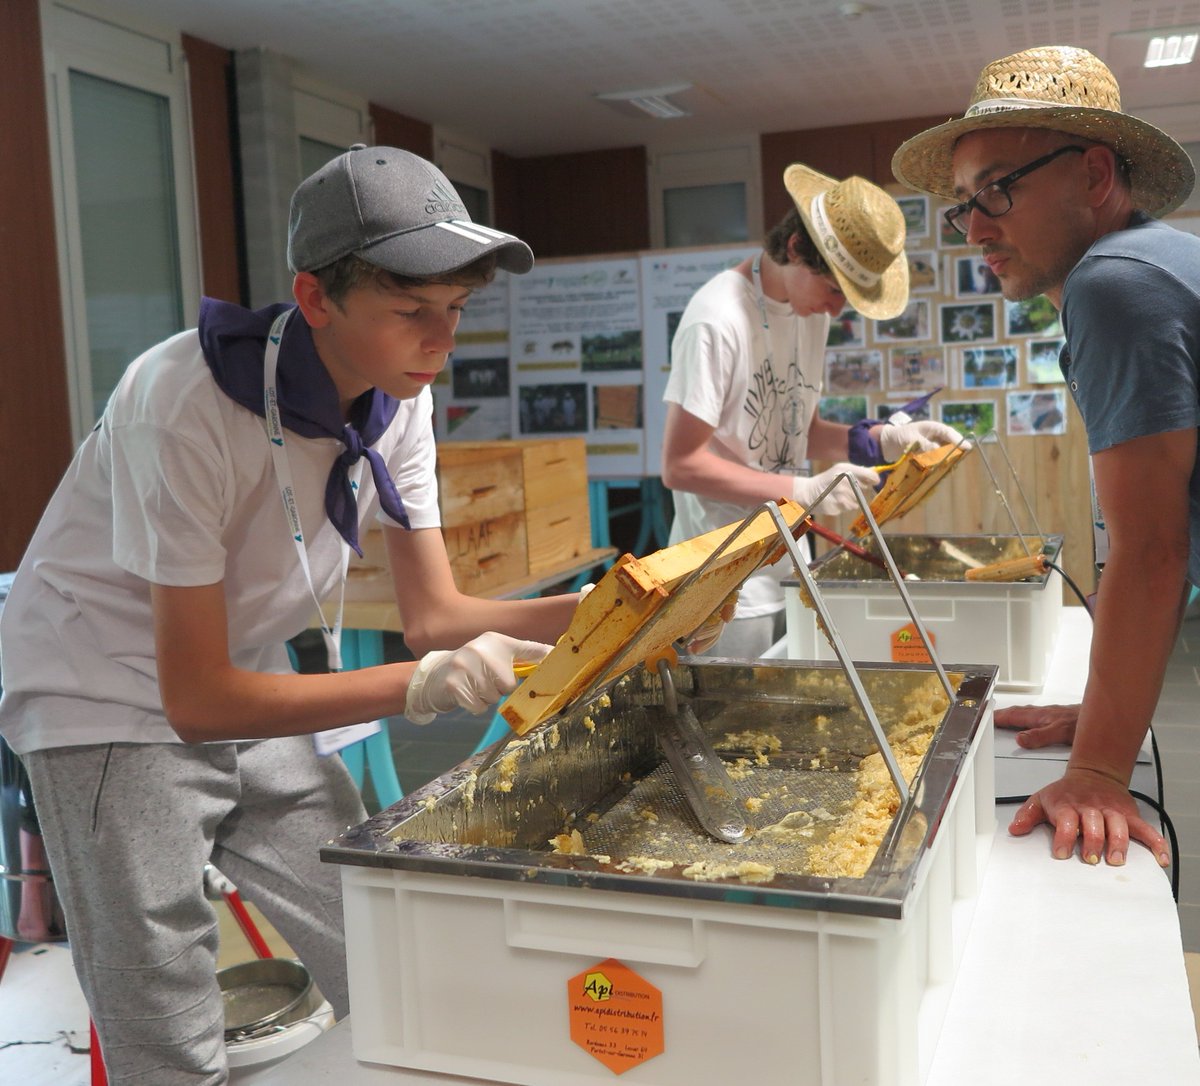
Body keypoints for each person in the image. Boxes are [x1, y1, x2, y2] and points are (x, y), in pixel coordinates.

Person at [0, 146, 583, 1083]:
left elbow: (436, 614)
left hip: (238, 668)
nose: (442, 341)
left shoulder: (399, 398)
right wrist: (420, 686)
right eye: (411, 313)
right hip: (100, 694)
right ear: (315, 299)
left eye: (455, 312)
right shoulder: (181, 402)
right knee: (167, 1014)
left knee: (385, 946)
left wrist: (610, 605)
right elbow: (194, 702)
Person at [893, 45, 1200, 869]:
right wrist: (1103, 708)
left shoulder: (1117, 284)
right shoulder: (1154, 263)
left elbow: (1155, 549)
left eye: (999, 188)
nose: (978, 228)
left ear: (1095, 174)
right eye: (963, 206)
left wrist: (1098, 770)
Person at [661, 163, 961, 657]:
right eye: (835, 291)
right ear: (798, 249)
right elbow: (680, 465)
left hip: (790, 563)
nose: (837, 310)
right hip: (723, 580)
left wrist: (880, 439)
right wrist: (799, 489)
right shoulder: (716, 320)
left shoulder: (808, 314)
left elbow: (798, 430)